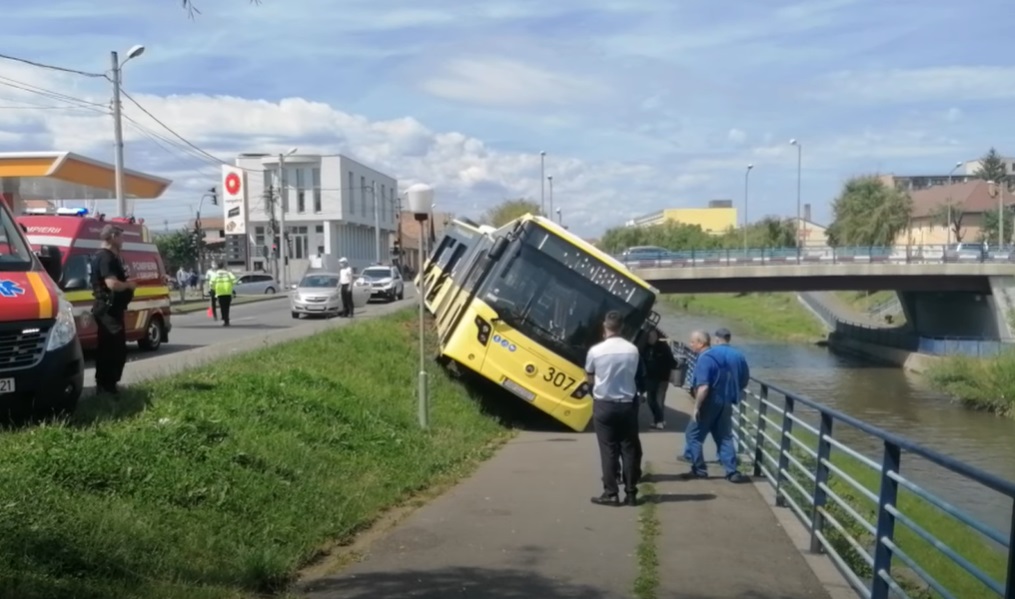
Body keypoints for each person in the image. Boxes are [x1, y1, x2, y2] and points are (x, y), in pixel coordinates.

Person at [586, 310, 645, 507]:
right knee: (629, 449)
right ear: (622, 327)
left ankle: (611, 493)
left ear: (605, 326)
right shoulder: (633, 350)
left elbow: (589, 375)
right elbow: (637, 375)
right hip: (627, 404)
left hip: (604, 404)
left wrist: (594, 389)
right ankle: (631, 494)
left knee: (608, 450)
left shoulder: (595, 351)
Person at [682, 330, 748, 483]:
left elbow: (703, 387)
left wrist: (697, 407)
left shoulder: (706, 358)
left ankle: (699, 470)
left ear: (700, 343)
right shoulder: (731, 355)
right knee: (724, 437)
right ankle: (732, 472)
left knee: (693, 435)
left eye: (692, 342)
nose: (690, 345)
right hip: (726, 401)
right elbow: (743, 379)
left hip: (709, 402)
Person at [90, 225, 136, 395]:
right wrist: (129, 285)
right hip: (108, 310)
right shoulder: (105, 258)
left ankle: (108, 385)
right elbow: (112, 284)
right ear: (113, 237)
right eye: (121, 237)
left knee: (112, 348)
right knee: (112, 349)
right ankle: (106, 386)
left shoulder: (111, 257)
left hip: (112, 309)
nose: (123, 241)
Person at [640, 328, 677, 430]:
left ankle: (659, 421)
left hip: (662, 378)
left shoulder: (663, 347)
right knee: (650, 400)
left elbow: (672, 361)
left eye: (654, 336)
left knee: (659, 400)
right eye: (650, 336)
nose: (652, 338)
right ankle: (658, 419)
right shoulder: (644, 348)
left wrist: (672, 375)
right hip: (650, 378)